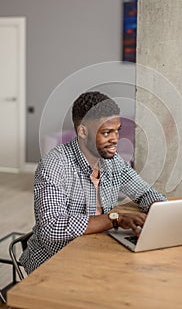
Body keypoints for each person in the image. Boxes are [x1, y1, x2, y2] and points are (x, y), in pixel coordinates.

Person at [20, 91, 166, 274]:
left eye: (117, 130)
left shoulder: (113, 161)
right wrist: (116, 219)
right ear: (82, 131)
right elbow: (52, 227)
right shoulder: (55, 165)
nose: (115, 139)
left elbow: (144, 192)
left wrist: (161, 210)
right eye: (106, 132)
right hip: (55, 262)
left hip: (95, 250)